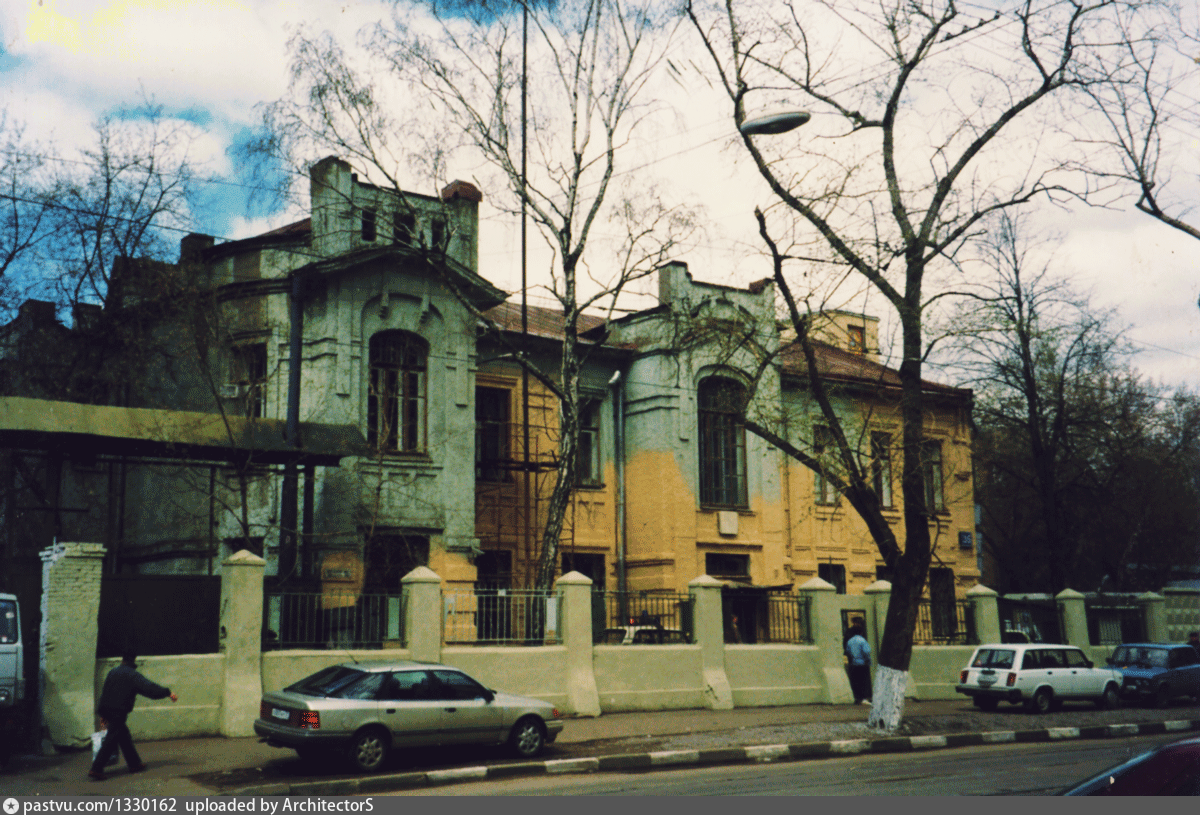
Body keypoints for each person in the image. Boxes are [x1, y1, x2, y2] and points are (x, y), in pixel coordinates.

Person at [88, 652, 178, 781]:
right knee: (111, 739)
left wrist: (102, 713)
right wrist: (167, 692)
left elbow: (105, 691)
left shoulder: (113, 671)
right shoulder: (132, 675)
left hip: (106, 709)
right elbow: (149, 688)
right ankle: (96, 768)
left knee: (124, 736)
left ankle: (134, 763)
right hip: (118, 711)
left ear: (122, 659)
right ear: (134, 660)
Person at [845, 618, 872, 705]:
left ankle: (857, 698)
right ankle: (864, 698)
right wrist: (868, 661)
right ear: (861, 632)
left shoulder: (850, 641)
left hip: (854, 663)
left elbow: (847, 651)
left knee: (856, 681)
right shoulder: (862, 641)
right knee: (864, 681)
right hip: (862, 663)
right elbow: (867, 652)